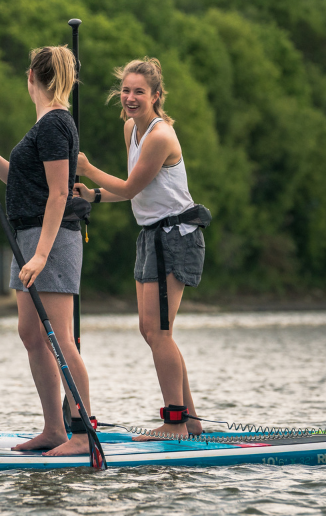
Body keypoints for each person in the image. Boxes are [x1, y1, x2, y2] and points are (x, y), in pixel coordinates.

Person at [0, 45, 95, 456]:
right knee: (32, 333)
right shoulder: (45, 125)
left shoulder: (54, 124)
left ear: (31, 78)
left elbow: (57, 194)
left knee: (61, 339)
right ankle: (53, 429)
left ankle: (84, 434)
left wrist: (39, 255)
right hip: (30, 238)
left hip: (49, 239)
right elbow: (15, 177)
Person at [73, 58, 209, 440]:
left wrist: (86, 168)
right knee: (149, 330)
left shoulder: (161, 136)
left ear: (156, 96)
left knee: (159, 331)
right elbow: (135, 191)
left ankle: (175, 422)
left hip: (176, 236)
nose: (130, 98)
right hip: (150, 235)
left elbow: (131, 187)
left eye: (139, 92)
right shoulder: (130, 127)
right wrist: (94, 195)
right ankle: (192, 422)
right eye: (126, 90)